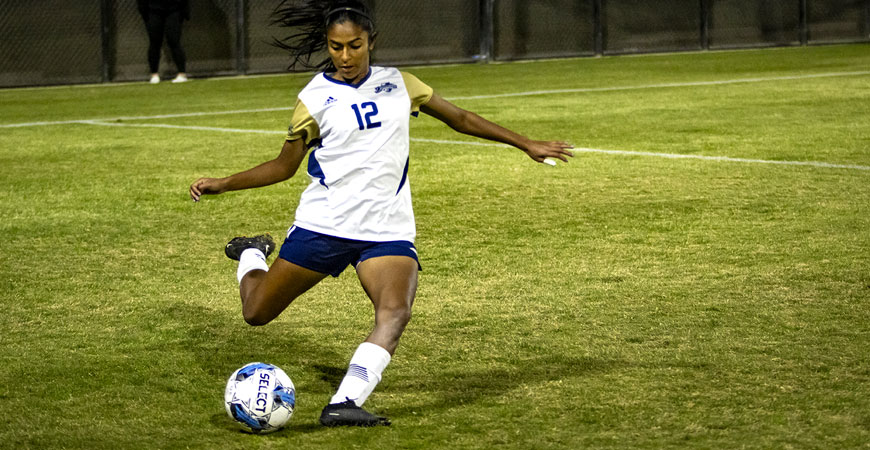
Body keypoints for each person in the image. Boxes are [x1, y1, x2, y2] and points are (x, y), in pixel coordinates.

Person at [188, 0, 573, 427]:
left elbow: (460, 118)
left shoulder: (400, 84)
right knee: (256, 313)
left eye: (355, 45)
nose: (346, 56)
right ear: (328, 46)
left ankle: (344, 402)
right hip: (325, 225)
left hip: (386, 229)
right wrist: (223, 182)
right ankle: (251, 254)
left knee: (395, 311)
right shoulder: (315, 97)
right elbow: (284, 167)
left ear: (372, 41)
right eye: (336, 47)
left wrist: (526, 144)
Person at [137, 0, 190, 84]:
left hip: (174, 9)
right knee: (154, 42)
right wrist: (143, 10)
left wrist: (184, 10)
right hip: (153, 10)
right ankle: (154, 75)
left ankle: (182, 74)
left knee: (174, 40)